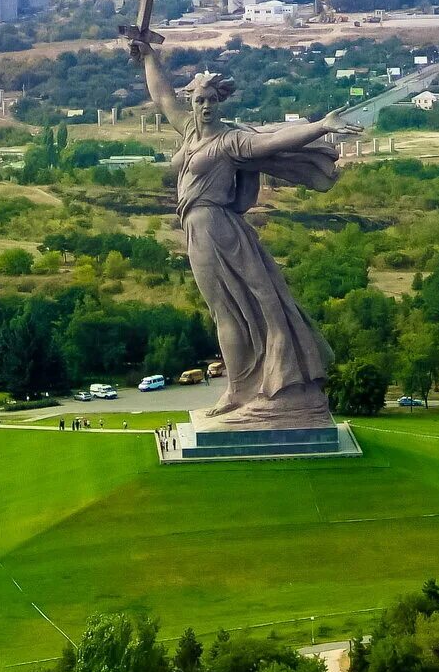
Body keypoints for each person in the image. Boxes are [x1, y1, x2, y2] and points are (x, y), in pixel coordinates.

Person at [132, 36, 361, 428]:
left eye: (211, 101)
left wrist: (321, 125)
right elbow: (162, 97)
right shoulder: (189, 131)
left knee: (235, 310)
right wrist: (149, 55)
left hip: (215, 227)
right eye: (200, 99)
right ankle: (244, 387)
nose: (205, 106)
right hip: (199, 228)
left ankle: (242, 390)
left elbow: (272, 140)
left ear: (220, 103)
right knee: (232, 310)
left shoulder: (231, 141)